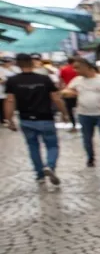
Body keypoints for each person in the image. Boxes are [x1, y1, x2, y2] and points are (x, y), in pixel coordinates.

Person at [4, 53, 68, 185]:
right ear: (32, 63)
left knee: (33, 147)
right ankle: (49, 166)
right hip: (46, 118)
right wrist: (64, 113)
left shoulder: (12, 81)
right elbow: (56, 98)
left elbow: (10, 101)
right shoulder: (45, 79)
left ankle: (40, 175)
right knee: (52, 145)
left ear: (17, 64)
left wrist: (9, 119)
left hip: (26, 119)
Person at [63, 58, 100, 170]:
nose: (75, 70)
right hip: (84, 114)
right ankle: (90, 158)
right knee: (87, 139)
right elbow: (66, 91)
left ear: (86, 67)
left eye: (77, 67)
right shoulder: (77, 80)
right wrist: (72, 92)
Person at [58, 58, 79, 133]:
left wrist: (60, 91)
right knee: (80, 109)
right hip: (78, 91)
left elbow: (61, 81)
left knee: (69, 110)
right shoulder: (77, 69)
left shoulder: (64, 70)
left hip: (68, 92)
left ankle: (74, 126)